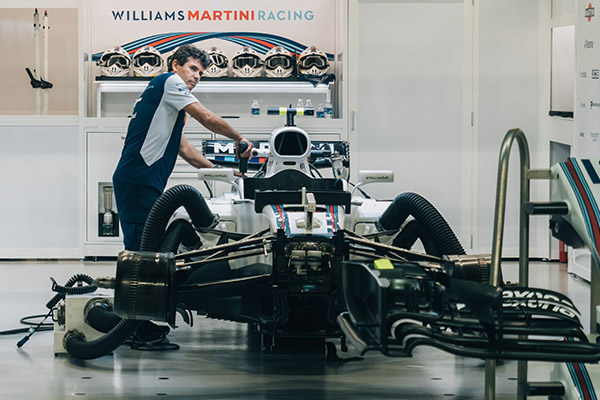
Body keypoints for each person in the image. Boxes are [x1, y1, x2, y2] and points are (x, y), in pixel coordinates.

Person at [112, 44, 253, 251]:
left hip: (143, 179)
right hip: (138, 178)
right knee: (144, 249)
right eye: (193, 68)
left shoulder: (167, 98)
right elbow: (206, 117)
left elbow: (184, 148)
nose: (196, 77)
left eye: (201, 73)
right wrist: (238, 137)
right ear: (175, 65)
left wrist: (217, 170)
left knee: (151, 245)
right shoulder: (170, 81)